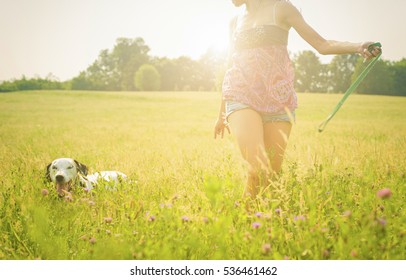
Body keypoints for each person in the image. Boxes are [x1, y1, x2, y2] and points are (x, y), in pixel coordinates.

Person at [214, 0, 381, 199]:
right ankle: (241, 224)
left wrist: (359, 46)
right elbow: (230, 66)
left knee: (270, 178)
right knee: (257, 168)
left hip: (278, 98)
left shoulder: (282, 9)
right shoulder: (235, 21)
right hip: (240, 94)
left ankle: (253, 221)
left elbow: (323, 44)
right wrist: (221, 112)